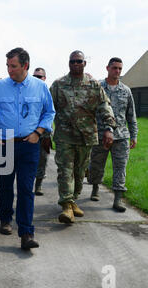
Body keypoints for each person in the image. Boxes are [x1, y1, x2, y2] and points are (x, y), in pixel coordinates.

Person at [0, 47, 55, 250]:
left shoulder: (40, 87)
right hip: (5, 144)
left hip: (29, 145)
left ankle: (26, 232)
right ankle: (5, 219)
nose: (9, 70)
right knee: (6, 186)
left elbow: (49, 112)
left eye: (13, 66)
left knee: (26, 189)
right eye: (7, 65)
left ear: (25, 66)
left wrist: (39, 132)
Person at [50, 50, 116, 224]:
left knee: (79, 173)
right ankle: (66, 205)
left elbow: (104, 106)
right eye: (72, 61)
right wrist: (45, 132)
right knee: (65, 171)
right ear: (68, 63)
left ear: (85, 63)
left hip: (86, 137)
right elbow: (48, 110)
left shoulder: (94, 85)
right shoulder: (58, 85)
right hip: (65, 136)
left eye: (79, 61)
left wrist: (109, 128)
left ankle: (73, 200)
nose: (76, 64)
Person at [89, 57, 138, 212]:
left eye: (119, 69)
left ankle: (118, 199)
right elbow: (89, 111)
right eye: (114, 68)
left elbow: (131, 115)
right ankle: (95, 187)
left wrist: (134, 135)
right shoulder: (98, 87)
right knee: (96, 165)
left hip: (121, 136)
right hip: (100, 135)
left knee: (120, 168)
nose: (117, 71)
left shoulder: (126, 90)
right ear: (107, 68)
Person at [32, 68, 53, 196]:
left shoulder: (49, 93)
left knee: (42, 160)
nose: (37, 78)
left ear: (44, 78)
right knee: (28, 161)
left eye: (40, 76)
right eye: (35, 76)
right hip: (30, 132)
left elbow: (51, 113)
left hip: (44, 133)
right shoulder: (28, 91)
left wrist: (48, 134)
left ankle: (38, 185)